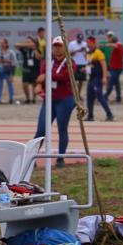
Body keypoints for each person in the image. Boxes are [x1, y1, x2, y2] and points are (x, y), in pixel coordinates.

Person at [34, 37, 74, 167]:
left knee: (62, 129)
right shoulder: (47, 62)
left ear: (65, 48)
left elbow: (64, 76)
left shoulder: (70, 62)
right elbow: (40, 77)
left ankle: (60, 158)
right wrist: (39, 85)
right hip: (49, 100)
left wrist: (46, 76)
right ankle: (32, 157)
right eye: (55, 46)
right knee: (41, 130)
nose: (57, 49)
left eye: (60, 46)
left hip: (65, 100)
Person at [85, 36, 114, 122]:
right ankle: (90, 116)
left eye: (89, 42)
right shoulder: (88, 53)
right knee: (89, 97)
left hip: (98, 78)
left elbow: (103, 65)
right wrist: (85, 69)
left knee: (100, 97)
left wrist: (104, 77)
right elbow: (90, 65)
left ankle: (110, 115)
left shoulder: (98, 52)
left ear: (94, 43)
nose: (88, 44)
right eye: (87, 42)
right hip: (91, 78)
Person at [15, 36, 41, 104]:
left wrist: (34, 48)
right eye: (27, 42)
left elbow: (38, 57)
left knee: (34, 84)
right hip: (26, 69)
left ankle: (33, 98)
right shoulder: (25, 50)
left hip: (35, 69)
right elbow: (16, 45)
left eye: (30, 42)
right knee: (25, 84)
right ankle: (27, 98)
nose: (28, 43)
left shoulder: (37, 50)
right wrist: (26, 45)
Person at [0, 37, 19, 104]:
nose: (1, 44)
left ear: (6, 44)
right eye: (1, 43)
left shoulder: (10, 52)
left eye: (3, 43)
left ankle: (11, 99)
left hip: (8, 69)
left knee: (9, 84)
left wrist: (13, 74)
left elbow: (14, 63)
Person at [105, 31, 123, 104]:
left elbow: (115, 46)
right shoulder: (118, 45)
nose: (109, 39)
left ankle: (105, 96)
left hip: (116, 68)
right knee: (116, 83)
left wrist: (107, 44)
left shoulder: (119, 44)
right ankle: (118, 97)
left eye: (111, 37)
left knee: (111, 82)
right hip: (114, 67)